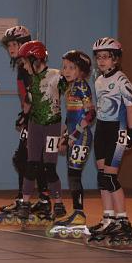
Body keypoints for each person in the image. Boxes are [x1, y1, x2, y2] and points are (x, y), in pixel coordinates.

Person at [0, 26, 50, 224]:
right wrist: (24, 114)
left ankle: (29, 199)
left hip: (37, 118)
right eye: (8, 45)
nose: (10, 48)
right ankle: (41, 199)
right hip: (33, 117)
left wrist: (26, 115)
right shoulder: (22, 66)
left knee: (23, 159)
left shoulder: (29, 67)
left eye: (13, 44)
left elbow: (34, 94)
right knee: (31, 159)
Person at [85, 37, 132, 248]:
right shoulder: (98, 80)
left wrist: (131, 132)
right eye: (98, 57)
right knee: (102, 177)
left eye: (106, 57)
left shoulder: (122, 80)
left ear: (115, 59)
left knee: (110, 177)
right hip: (102, 130)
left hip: (118, 129)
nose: (101, 61)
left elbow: (131, 108)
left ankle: (123, 221)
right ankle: (108, 218)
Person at [15, 40, 68, 227]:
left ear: (35, 60)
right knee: (31, 165)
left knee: (49, 167)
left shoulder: (55, 75)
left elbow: (70, 91)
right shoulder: (31, 79)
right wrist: (23, 117)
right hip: (35, 125)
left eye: (25, 62)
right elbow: (30, 101)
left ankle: (58, 203)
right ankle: (25, 203)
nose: (23, 66)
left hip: (52, 125)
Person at [46, 50, 96, 239]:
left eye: (71, 67)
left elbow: (90, 114)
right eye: (64, 67)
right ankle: (77, 212)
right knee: (72, 175)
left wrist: (74, 134)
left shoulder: (82, 87)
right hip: (73, 136)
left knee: (74, 174)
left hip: (82, 137)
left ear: (81, 71)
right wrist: (65, 136)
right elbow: (70, 117)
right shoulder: (70, 87)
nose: (66, 71)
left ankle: (79, 213)